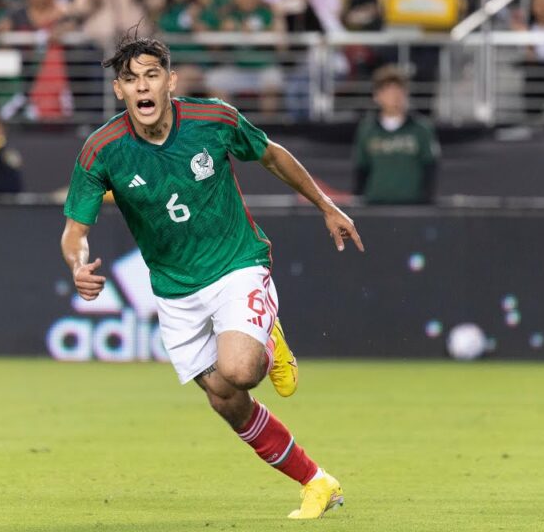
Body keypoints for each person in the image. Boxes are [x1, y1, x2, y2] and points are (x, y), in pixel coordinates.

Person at [60, 35, 363, 519]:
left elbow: (271, 155)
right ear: (119, 90)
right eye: (131, 79)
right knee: (226, 399)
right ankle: (317, 481)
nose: (143, 86)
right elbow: (75, 231)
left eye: (152, 75)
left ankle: (267, 338)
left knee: (241, 369)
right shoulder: (103, 151)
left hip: (236, 265)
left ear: (170, 82)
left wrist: (325, 206)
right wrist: (78, 266)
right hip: (176, 293)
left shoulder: (212, 119)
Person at [353, 65, 439, 204]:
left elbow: (430, 166)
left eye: (399, 90)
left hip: (412, 206)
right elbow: (361, 169)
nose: (395, 96)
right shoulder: (367, 129)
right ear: (377, 95)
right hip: (375, 204)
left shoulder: (421, 129)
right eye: (388, 91)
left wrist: (425, 201)